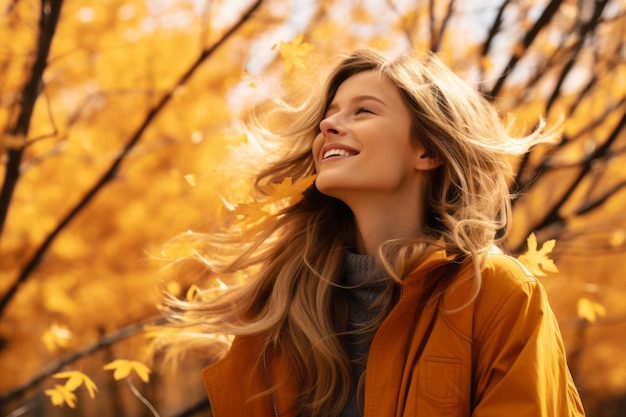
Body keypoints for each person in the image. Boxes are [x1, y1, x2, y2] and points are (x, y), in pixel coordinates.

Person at [158, 48, 585, 417]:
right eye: (330, 113)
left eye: (363, 110)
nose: (328, 125)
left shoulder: (494, 295)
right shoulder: (282, 310)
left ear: (428, 150)